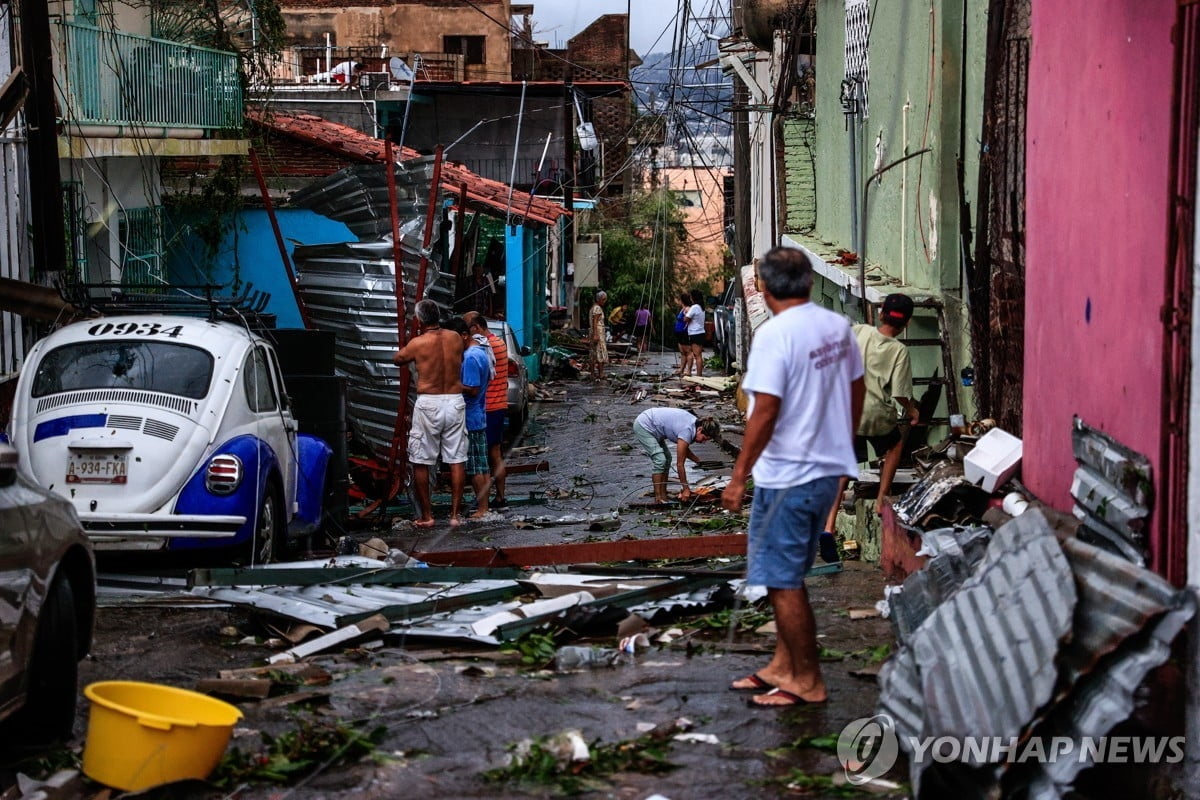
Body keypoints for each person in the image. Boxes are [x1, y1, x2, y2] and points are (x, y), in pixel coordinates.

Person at [721, 247, 865, 708]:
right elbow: (856, 388)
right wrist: (842, 440)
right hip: (824, 472)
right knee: (792, 575)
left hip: (788, 477)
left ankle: (807, 680)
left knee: (781, 581)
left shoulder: (773, 335)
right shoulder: (836, 326)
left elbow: (764, 411)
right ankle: (783, 665)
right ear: (808, 282)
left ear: (764, 288)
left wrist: (738, 476)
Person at [823, 294, 920, 541]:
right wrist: (912, 411)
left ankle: (829, 523)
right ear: (907, 323)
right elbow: (900, 394)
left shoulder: (859, 331)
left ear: (880, 314)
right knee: (895, 445)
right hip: (876, 415)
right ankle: (881, 499)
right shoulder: (899, 350)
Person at [392, 299, 468, 528]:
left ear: (419, 319)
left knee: (421, 460)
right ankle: (455, 515)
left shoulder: (418, 343)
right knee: (456, 459)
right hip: (455, 401)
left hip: (429, 403)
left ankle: (427, 516)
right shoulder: (455, 338)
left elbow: (398, 359)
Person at [446, 318, 492, 520]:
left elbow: (472, 390)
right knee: (481, 465)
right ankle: (484, 506)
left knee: (474, 467)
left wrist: (451, 384)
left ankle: (483, 508)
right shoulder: (480, 352)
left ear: (464, 336)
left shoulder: (471, 357)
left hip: (471, 416)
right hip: (478, 414)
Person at [464, 311, 510, 508]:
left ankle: (486, 500)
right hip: (499, 404)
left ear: (476, 327)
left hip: (487, 407)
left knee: (484, 456)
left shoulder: (484, 347)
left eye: (467, 328)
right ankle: (499, 496)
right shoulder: (499, 343)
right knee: (495, 453)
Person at [633, 408, 721, 504]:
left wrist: (698, 461)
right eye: (704, 438)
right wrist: (686, 489)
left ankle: (663, 495)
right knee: (660, 460)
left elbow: (684, 449)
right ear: (700, 429)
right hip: (644, 425)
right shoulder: (687, 430)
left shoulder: (694, 426)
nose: (703, 442)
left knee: (667, 459)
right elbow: (679, 464)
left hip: (655, 427)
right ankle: (658, 498)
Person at [685, 289, 706, 377]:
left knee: (697, 355)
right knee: (698, 355)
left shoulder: (694, 307)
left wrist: (685, 314)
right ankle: (699, 374)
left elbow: (686, 318)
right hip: (701, 332)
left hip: (695, 333)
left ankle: (699, 375)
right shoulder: (701, 307)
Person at [589, 290, 609, 381]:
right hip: (598, 332)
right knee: (599, 352)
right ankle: (600, 373)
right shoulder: (597, 308)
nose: (604, 301)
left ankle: (593, 374)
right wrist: (596, 334)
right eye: (603, 299)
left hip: (594, 332)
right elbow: (595, 322)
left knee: (593, 353)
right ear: (599, 299)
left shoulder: (593, 308)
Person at [674, 293, 692, 377]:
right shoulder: (683, 309)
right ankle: (681, 369)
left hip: (684, 332)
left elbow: (689, 319)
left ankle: (689, 370)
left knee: (688, 352)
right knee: (682, 352)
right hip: (679, 332)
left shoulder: (687, 309)